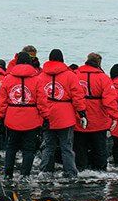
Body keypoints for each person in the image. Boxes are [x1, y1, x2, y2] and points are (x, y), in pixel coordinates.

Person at [37, 49, 86, 177]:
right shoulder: (70, 76)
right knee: (67, 147)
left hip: (47, 114)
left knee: (48, 145)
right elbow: (77, 96)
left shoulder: (41, 76)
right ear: (62, 59)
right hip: (66, 116)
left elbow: (37, 97)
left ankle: (45, 171)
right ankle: (70, 172)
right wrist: (82, 113)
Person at [0, 51, 43, 178]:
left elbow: (2, 102)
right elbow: (41, 102)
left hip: (12, 118)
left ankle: (8, 174)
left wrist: (0, 118)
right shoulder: (37, 79)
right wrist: (45, 117)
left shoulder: (7, 79)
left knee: (11, 147)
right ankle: (25, 176)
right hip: (32, 120)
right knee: (29, 150)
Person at [73, 52, 118, 171]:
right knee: (100, 148)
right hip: (99, 119)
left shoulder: (75, 75)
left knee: (80, 147)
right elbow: (109, 101)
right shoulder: (104, 78)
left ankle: (81, 169)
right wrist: (115, 117)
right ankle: (100, 171)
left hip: (79, 118)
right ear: (99, 63)